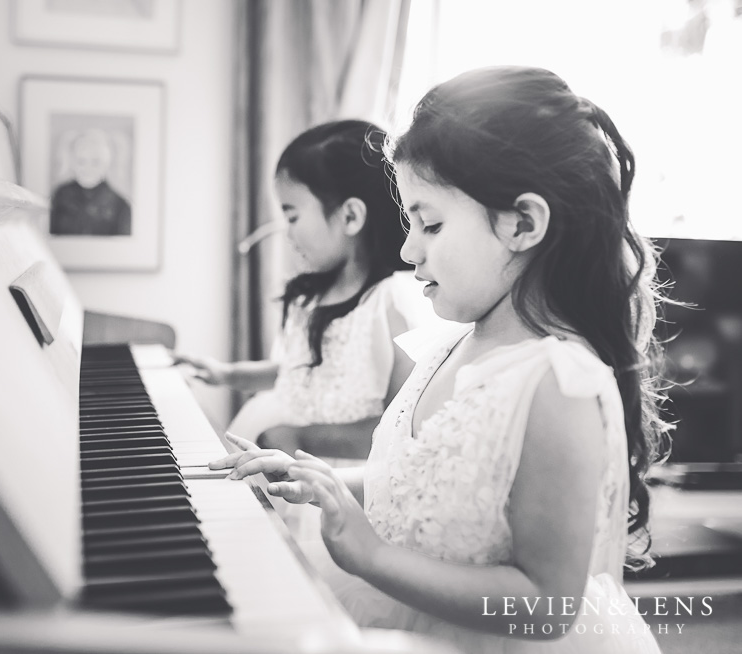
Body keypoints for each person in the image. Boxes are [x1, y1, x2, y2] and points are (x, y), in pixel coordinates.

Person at [213, 66, 669, 653]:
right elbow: (416, 480)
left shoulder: (557, 382)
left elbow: (550, 605)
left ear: (522, 224)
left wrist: (371, 555)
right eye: (409, 222)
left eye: (430, 223)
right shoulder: (448, 342)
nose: (407, 249)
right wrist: (327, 482)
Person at [177, 119, 437, 462]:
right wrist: (228, 373)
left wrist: (303, 439)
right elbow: (296, 373)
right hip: (275, 449)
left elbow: (400, 425)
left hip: (329, 472)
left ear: (350, 216)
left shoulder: (390, 303)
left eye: (292, 216)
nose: (287, 234)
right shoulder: (311, 296)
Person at [50, 128, 132, 236]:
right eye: (81, 161)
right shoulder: (61, 196)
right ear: (72, 161)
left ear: (106, 164)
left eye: (95, 162)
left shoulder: (121, 206)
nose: (87, 168)